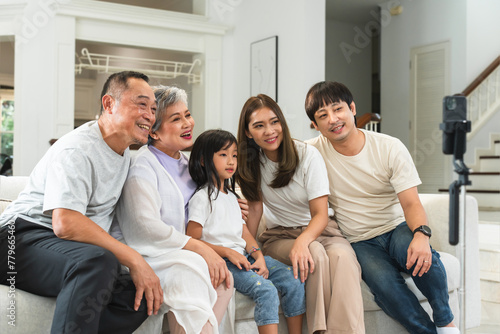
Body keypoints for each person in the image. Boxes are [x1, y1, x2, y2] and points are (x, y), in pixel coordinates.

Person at [0, 71, 163, 333]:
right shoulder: (77, 149)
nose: (150, 115)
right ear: (109, 104)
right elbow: (65, 223)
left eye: (154, 109)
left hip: (63, 248)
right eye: (141, 104)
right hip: (16, 239)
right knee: (99, 261)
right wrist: (134, 259)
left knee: (143, 292)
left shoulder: (125, 156)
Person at [304, 81, 459, 334]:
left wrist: (421, 234)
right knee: (386, 289)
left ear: (352, 108)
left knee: (422, 257)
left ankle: (446, 322)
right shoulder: (311, 153)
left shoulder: (389, 147)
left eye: (337, 109)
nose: (333, 119)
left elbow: (411, 203)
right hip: (359, 240)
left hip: (396, 226)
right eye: (323, 115)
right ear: (315, 124)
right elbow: (275, 154)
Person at [236, 94, 365, 334]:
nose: (270, 131)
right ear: (247, 132)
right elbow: (255, 210)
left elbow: (320, 214)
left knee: (343, 258)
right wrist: (249, 249)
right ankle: (318, 330)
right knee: (313, 253)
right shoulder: (250, 163)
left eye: (274, 122)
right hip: (279, 236)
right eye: (259, 126)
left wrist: (302, 242)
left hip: (323, 230)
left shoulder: (306, 155)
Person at [112, 85, 234, 334]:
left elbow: (211, 200)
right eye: (176, 119)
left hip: (184, 252)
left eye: (187, 115)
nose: (188, 123)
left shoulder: (191, 164)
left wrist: (232, 203)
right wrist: (200, 248)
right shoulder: (142, 167)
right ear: (154, 132)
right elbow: (144, 227)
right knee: (190, 274)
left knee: (224, 280)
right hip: (149, 255)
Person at [186, 129, 306, 334]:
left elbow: (245, 234)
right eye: (223, 155)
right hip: (223, 261)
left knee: (292, 279)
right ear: (204, 161)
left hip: (244, 256)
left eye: (234, 155)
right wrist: (227, 252)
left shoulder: (232, 197)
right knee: (266, 290)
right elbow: (192, 239)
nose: (231, 161)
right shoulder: (201, 198)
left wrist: (259, 256)